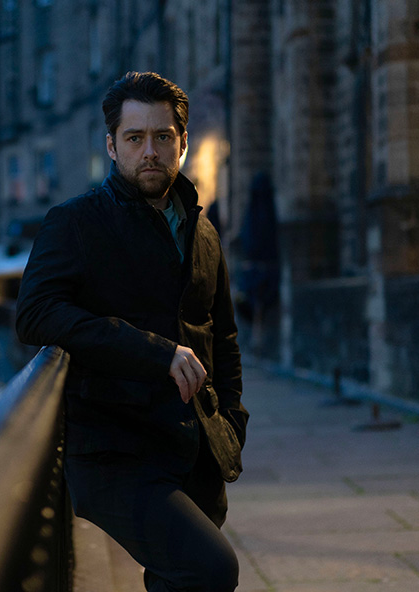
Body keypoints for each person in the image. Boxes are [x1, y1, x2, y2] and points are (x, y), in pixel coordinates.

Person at [16, 71, 248, 592]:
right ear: (111, 145)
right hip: (115, 451)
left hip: (194, 449)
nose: (150, 151)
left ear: (182, 144)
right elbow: (34, 314)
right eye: (135, 138)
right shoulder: (74, 223)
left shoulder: (202, 231)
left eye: (163, 137)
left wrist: (232, 421)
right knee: (212, 569)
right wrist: (154, 353)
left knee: (176, 580)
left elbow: (223, 336)